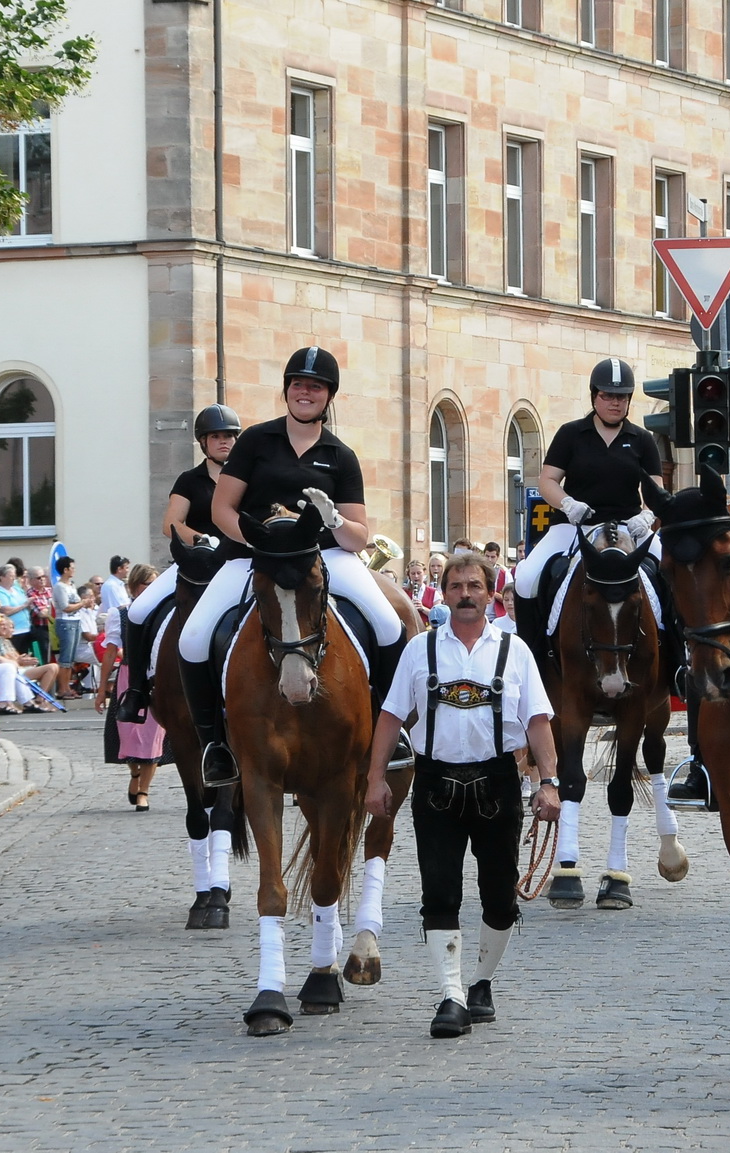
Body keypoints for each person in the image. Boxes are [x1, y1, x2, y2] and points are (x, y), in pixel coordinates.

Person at [179, 345, 407, 787]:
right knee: (192, 637)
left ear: (328, 395)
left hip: (324, 556)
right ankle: (215, 745)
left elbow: (360, 534)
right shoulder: (256, 442)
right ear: (287, 390)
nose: (306, 392)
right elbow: (224, 508)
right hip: (254, 555)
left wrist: (337, 520)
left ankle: (388, 733)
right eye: (299, 384)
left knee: (389, 626)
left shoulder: (340, 455)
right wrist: (259, 540)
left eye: (315, 386)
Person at [364, 551, 560, 1038]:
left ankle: (481, 981)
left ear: (491, 592)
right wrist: (373, 779)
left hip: (497, 783)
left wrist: (549, 783)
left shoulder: (515, 650)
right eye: (456, 586)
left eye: (475, 585)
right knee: (439, 892)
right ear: (444, 593)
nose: (466, 594)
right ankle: (450, 995)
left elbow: (537, 721)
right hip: (435, 786)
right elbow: (390, 716)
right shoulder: (420, 649)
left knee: (499, 897)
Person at [510, 357, 664, 667]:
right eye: (607, 395)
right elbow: (548, 480)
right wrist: (568, 503)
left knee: (673, 571)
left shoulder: (643, 440)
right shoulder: (571, 434)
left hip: (628, 526)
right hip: (574, 525)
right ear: (594, 395)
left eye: (621, 397)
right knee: (526, 577)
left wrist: (647, 515)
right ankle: (532, 662)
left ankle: (677, 659)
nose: (614, 403)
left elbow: (656, 489)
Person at [118, 404, 243, 722]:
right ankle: (136, 693)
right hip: (196, 564)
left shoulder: (248, 479)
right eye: (216, 436)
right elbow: (170, 524)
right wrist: (202, 540)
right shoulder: (190, 480)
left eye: (229, 436)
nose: (224, 442)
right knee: (138, 610)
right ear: (203, 442)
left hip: (238, 562)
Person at [97, 564, 164, 812]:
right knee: (128, 733)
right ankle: (135, 774)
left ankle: (144, 790)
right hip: (128, 676)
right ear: (135, 586)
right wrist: (102, 688)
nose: (152, 589)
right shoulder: (120, 614)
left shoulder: (164, 611)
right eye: (147, 583)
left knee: (152, 737)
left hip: (156, 678)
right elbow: (110, 652)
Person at [0, 615, 59, 714]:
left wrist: (23, 660)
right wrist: (18, 661)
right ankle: (35, 701)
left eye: (8, 626)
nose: (9, 629)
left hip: (16, 669)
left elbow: (15, 659)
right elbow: (2, 659)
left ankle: (33, 702)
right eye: (2, 625)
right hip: (7, 670)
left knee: (53, 667)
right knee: (51, 667)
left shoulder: (5, 642)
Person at [52, 556, 88, 699]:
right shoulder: (60, 586)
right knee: (65, 658)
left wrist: (83, 603)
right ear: (65, 570)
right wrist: (82, 604)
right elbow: (65, 607)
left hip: (75, 621)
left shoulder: (71, 585)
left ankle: (67, 687)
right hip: (66, 623)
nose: (74, 570)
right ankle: (62, 689)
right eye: (72, 568)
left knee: (71, 658)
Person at [0, 564, 32, 654]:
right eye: (11, 576)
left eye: (14, 576)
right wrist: (23, 605)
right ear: (2, 577)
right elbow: (6, 610)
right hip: (14, 632)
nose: (13, 579)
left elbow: (26, 601)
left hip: (26, 628)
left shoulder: (17, 589)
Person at [25, 569, 56, 664]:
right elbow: (41, 613)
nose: (42, 579)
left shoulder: (50, 590)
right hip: (42, 628)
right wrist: (52, 609)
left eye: (43, 576)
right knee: (46, 655)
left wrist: (49, 609)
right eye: (38, 578)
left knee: (57, 654)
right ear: (30, 580)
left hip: (54, 627)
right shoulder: (30, 593)